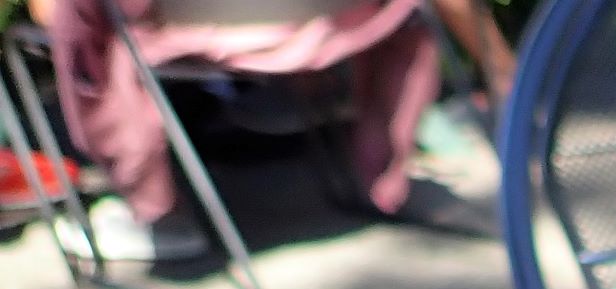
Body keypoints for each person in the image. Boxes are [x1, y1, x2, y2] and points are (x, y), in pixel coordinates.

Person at [34, 0, 446, 261]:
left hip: (196, 29)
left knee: (77, 28)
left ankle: (159, 213)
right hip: (343, 18)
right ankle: (363, 156)